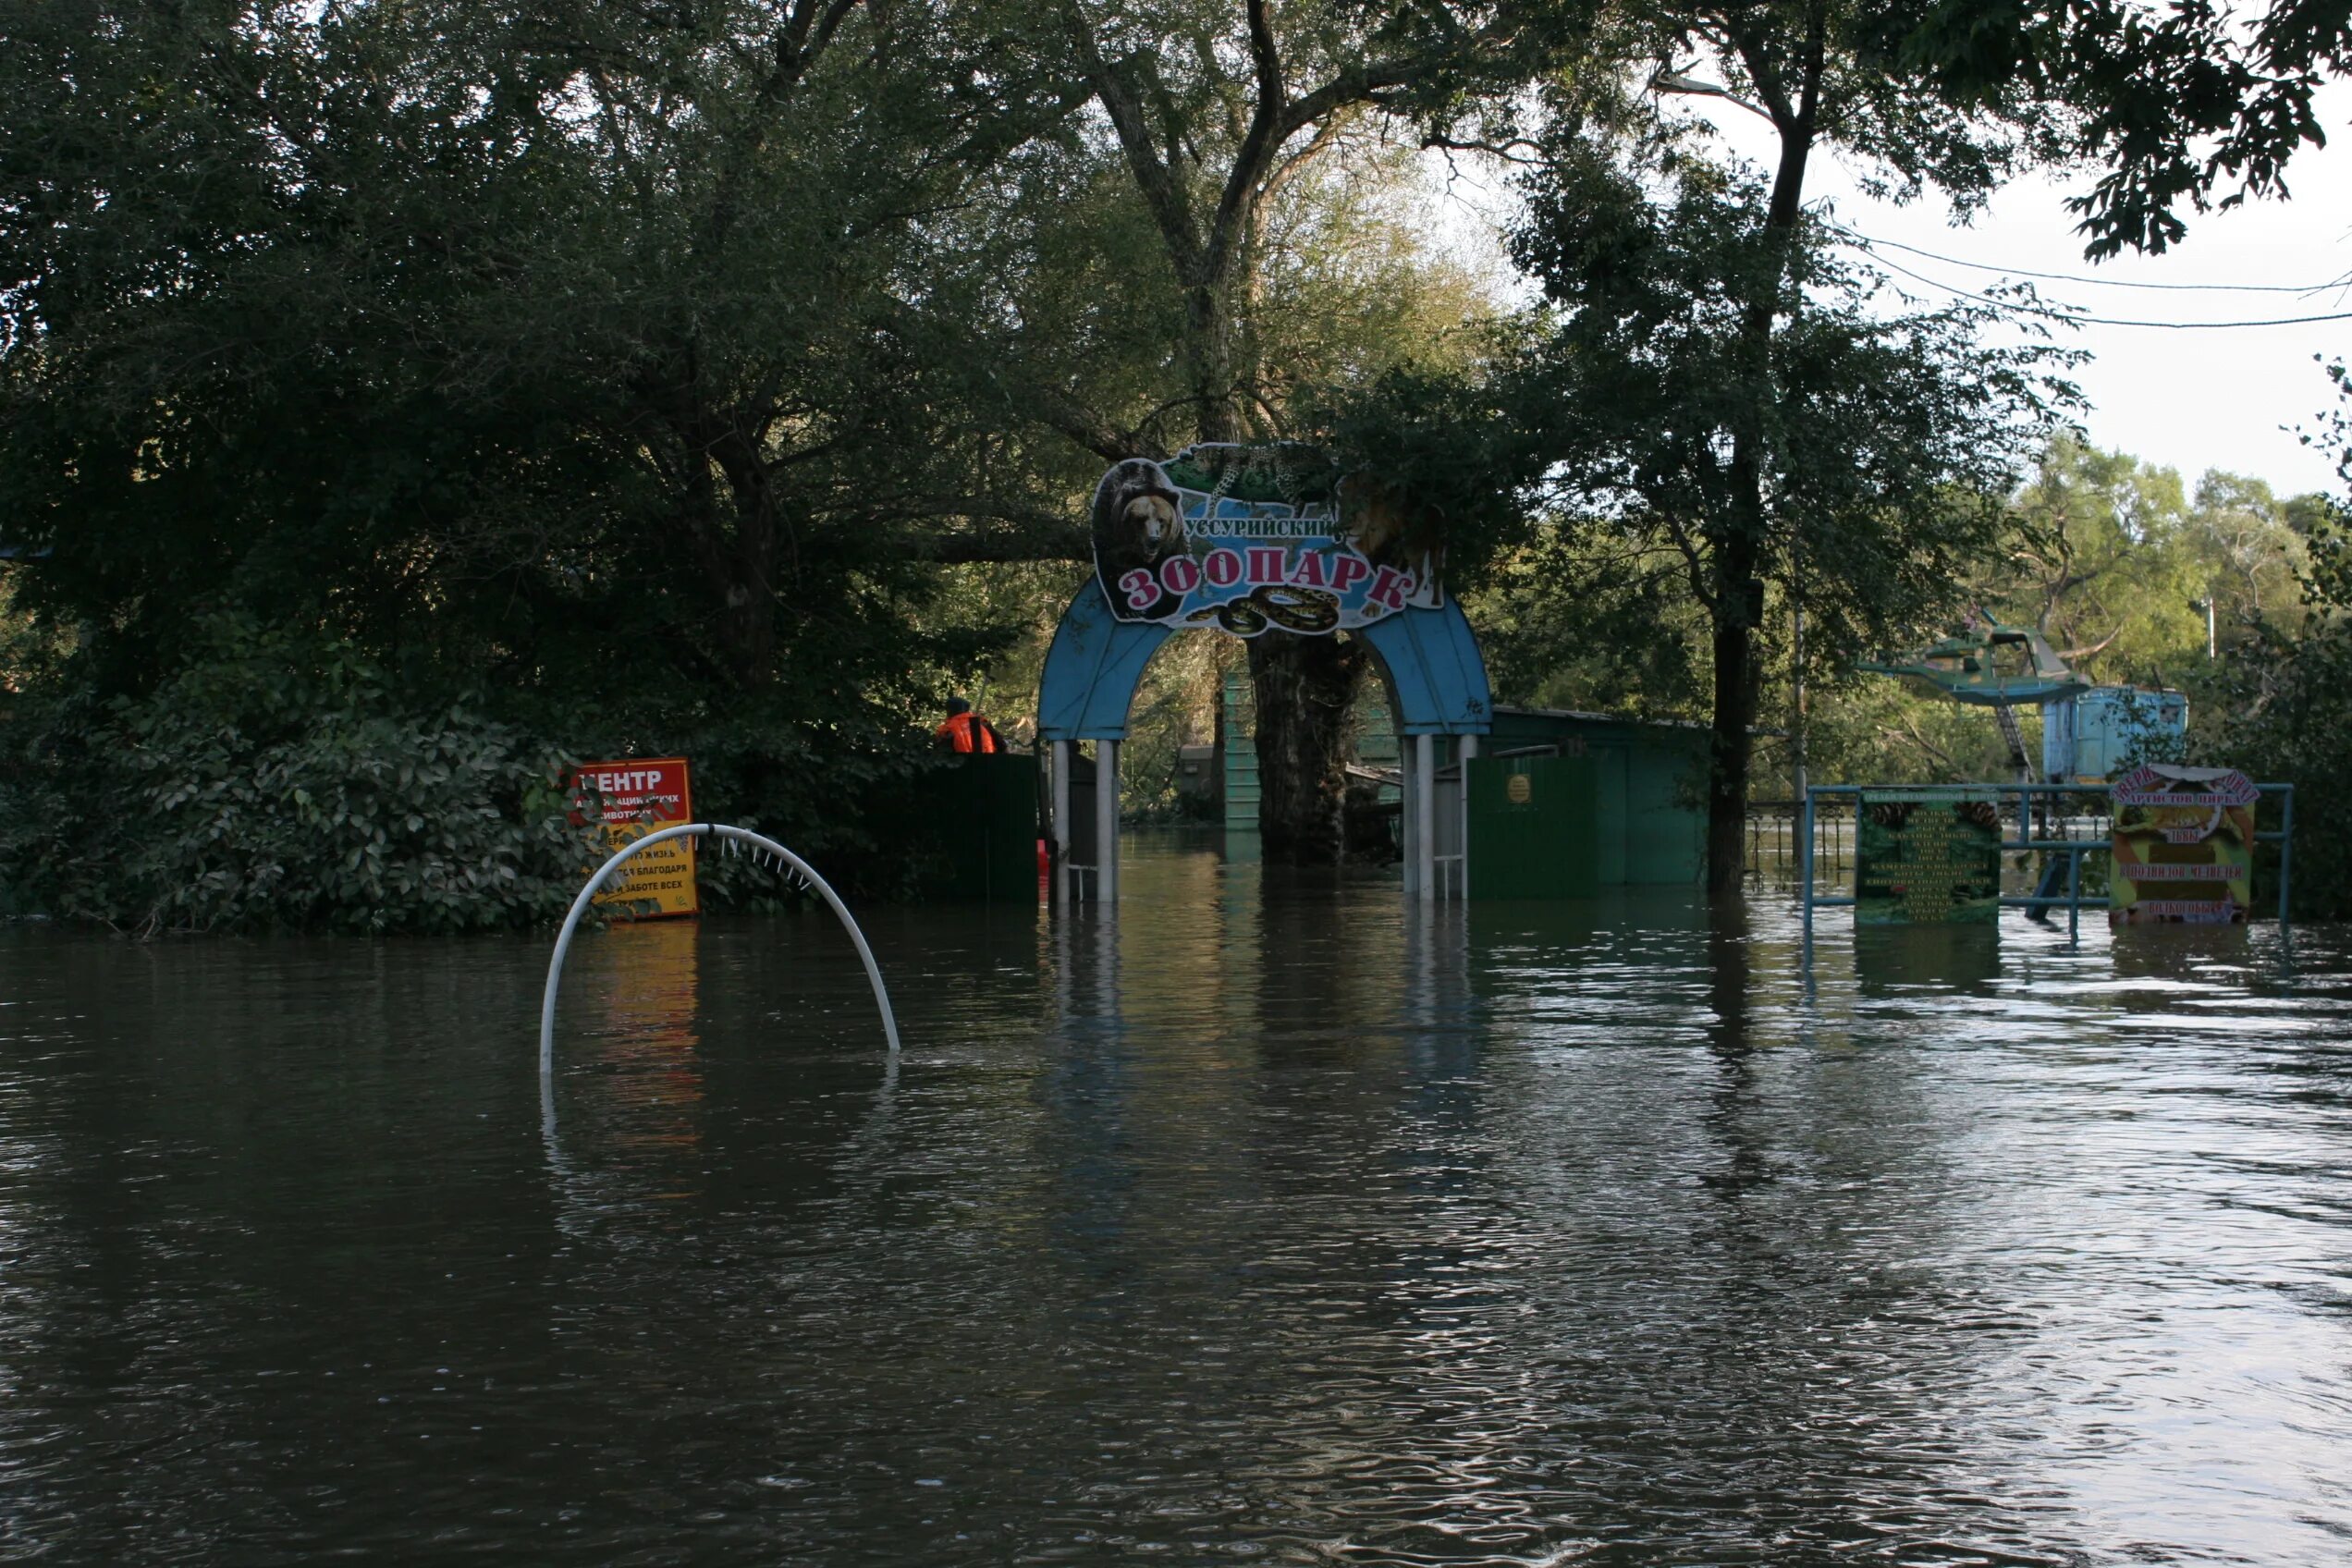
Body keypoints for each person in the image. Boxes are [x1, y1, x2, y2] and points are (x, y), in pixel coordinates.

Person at [934, 696, 1004, 754]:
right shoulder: (982, 722)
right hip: (989, 764)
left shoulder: (945, 729)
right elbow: (1002, 745)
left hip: (963, 767)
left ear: (949, 710)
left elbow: (939, 754)